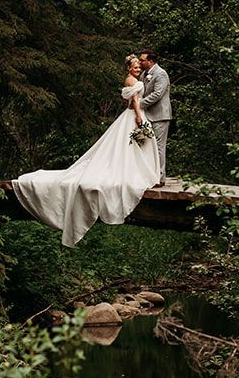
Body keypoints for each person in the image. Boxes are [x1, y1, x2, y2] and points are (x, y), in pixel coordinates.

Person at [11, 54, 161, 246]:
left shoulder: (134, 79)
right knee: (132, 146)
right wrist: (139, 117)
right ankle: (138, 171)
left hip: (131, 114)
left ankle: (140, 170)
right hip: (135, 115)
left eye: (139, 67)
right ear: (128, 69)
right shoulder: (132, 80)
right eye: (135, 67)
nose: (138, 69)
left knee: (136, 146)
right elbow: (133, 101)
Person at [137, 50, 172, 186]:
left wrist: (139, 104)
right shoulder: (143, 75)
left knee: (159, 147)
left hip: (160, 115)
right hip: (147, 115)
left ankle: (160, 178)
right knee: (148, 146)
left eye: (142, 60)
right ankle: (150, 175)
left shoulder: (161, 74)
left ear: (150, 61)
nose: (140, 62)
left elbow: (157, 94)